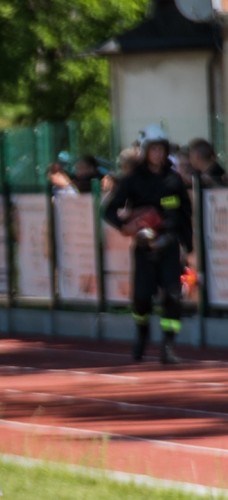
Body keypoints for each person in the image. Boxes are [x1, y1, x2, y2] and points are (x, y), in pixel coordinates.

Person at [102, 124, 192, 365]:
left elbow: (185, 214)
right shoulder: (132, 180)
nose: (158, 154)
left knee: (172, 297)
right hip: (144, 248)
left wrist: (187, 248)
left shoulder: (174, 180)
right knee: (142, 298)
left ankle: (168, 346)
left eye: (161, 149)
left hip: (169, 246)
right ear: (145, 151)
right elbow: (109, 210)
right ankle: (142, 333)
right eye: (153, 149)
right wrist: (126, 227)